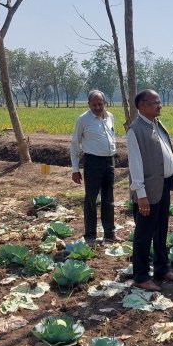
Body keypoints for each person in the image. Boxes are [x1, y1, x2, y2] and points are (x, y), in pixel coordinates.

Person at [126, 89, 173, 291]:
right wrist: (140, 195)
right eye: (154, 102)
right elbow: (135, 165)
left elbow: (166, 155)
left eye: (159, 102)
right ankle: (141, 276)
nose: (159, 106)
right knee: (144, 233)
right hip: (147, 192)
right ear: (142, 105)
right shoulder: (135, 130)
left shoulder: (157, 125)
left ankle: (162, 269)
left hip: (163, 186)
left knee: (161, 231)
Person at [70, 90, 118, 244]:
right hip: (92, 163)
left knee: (108, 199)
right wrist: (75, 169)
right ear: (89, 104)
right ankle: (90, 235)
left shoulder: (110, 117)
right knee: (91, 199)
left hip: (109, 162)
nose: (98, 107)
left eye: (100, 103)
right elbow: (75, 144)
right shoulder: (83, 120)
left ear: (105, 103)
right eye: (94, 104)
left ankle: (109, 233)